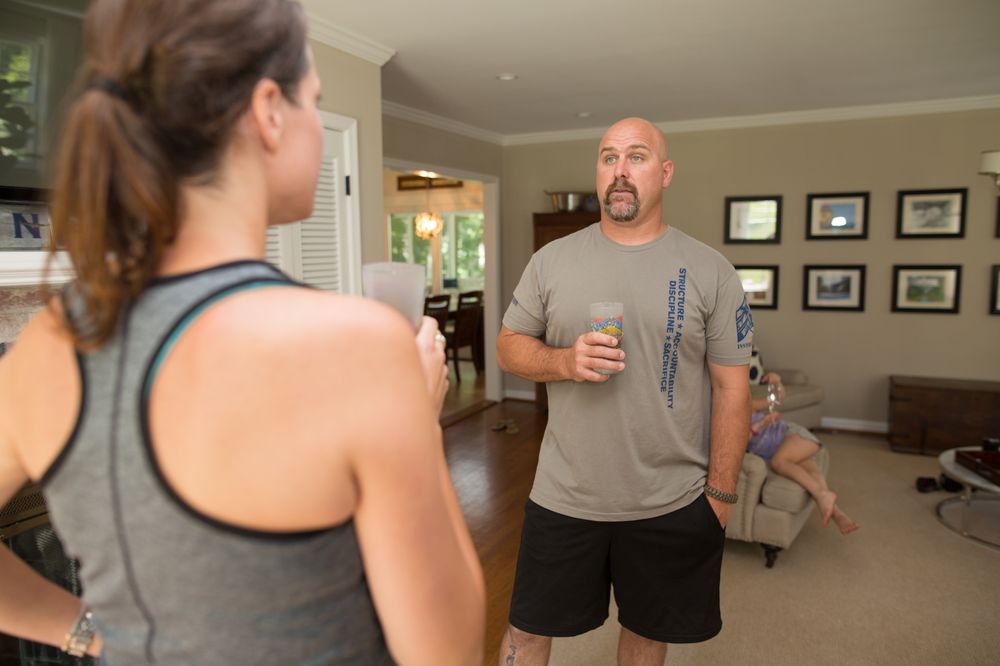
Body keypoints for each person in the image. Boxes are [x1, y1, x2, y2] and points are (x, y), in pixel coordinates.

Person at [0, 1, 484, 664]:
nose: (317, 124)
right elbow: (446, 654)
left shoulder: (43, 349)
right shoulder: (354, 347)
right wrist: (423, 425)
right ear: (268, 111)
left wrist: (81, 630)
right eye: (313, 100)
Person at [496, 117, 752, 666]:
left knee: (645, 634)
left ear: (664, 172)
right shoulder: (552, 260)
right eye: (608, 157)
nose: (619, 171)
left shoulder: (710, 271)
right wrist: (563, 360)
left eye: (635, 157)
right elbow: (508, 346)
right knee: (527, 630)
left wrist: (721, 498)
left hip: (670, 500)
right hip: (565, 494)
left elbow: (733, 388)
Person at [750, 373, 859, 535]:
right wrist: (762, 422)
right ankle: (835, 512)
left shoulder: (748, 404)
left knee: (779, 462)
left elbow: (777, 399)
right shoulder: (725, 417)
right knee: (811, 472)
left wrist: (777, 382)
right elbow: (741, 440)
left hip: (790, 435)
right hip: (784, 448)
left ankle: (822, 496)